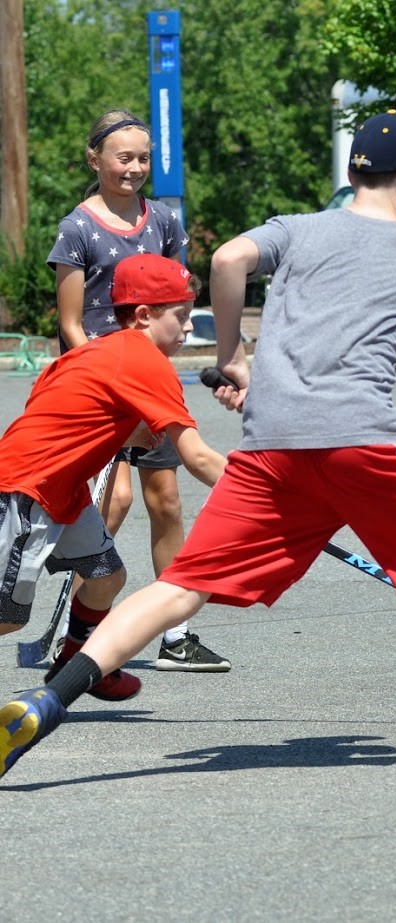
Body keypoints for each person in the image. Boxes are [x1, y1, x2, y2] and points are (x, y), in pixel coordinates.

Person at [1, 111, 396, 779]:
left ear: (354, 172)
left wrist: (232, 355)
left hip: (272, 441)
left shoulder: (297, 229)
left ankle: (47, 700)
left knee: (183, 586)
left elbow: (228, 258)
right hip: (367, 436)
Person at [0, 253, 227, 746]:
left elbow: (54, 403)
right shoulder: (147, 361)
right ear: (144, 315)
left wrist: (121, 433)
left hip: (65, 489)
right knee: (6, 618)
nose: (190, 327)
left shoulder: (102, 350)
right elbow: (197, 457)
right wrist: (264, 495)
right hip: (27, 488)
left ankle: (77, 664)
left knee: (106, 576)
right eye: (182, 315)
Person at [46, 108, 229, 672]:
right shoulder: (77, 228)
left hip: (150, 379)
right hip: (100, 387)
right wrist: (106, 382)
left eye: (143, 158)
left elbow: (174, 295)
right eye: (123, 157)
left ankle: (177, 635)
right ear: (95, 159)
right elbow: (72, 324)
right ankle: (81, 634)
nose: (134, 168)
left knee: (166, 501)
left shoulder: (164, 220)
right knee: (114, 501)